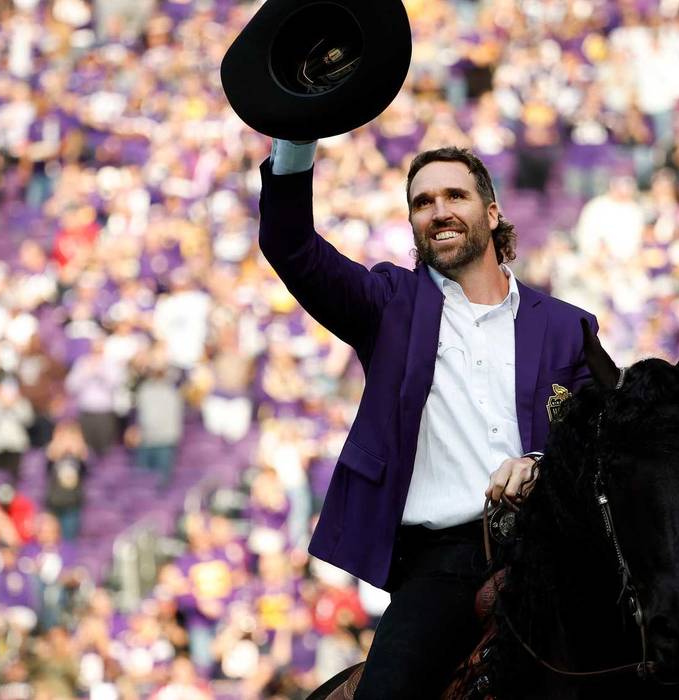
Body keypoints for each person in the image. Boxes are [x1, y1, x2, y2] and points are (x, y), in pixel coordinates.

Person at [257, 139, 596, 698]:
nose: (438, 210)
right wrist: (296, 136)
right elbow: (289, 244)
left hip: (556, 550)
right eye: (422, 202)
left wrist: (540, 464)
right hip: (443, 567)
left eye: (455, 195)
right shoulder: (388, 303)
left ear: (491, 212)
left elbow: (594, 443)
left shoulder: (568, 326)